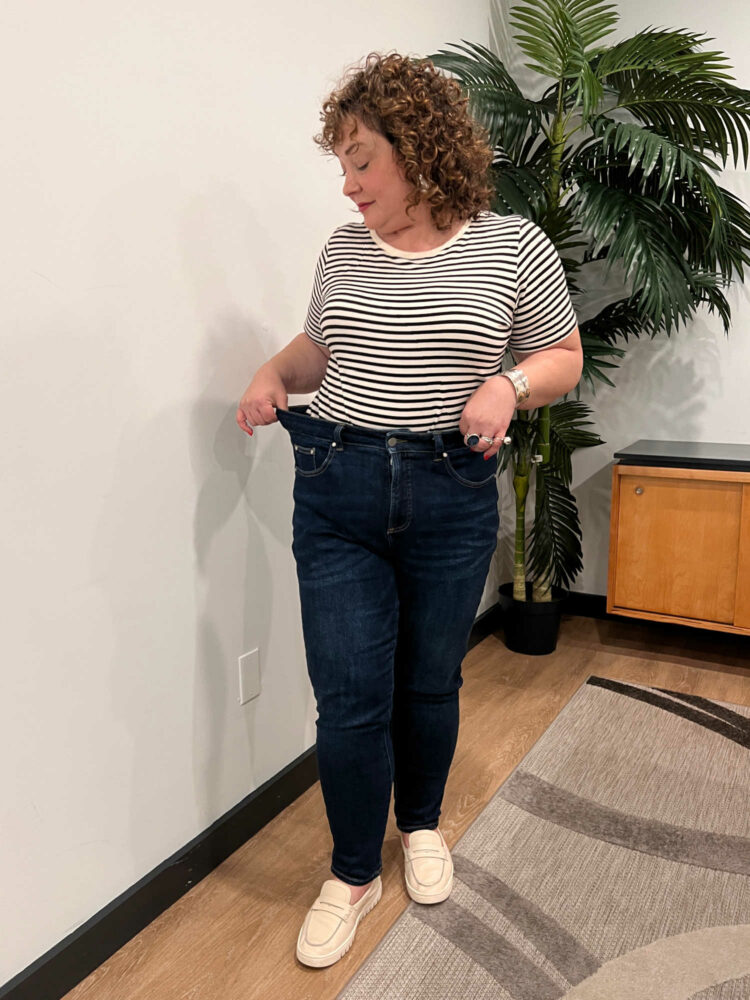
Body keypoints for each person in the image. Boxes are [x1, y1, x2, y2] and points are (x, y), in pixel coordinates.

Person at [236, 51, 583, 969]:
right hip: (340, 487)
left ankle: (421, 825)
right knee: (349, 697)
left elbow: (563, 359)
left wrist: (508, 384)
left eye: (362, 162)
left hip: (451, 493)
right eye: (343, 167)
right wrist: (275, 373)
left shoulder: (512, 247)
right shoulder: (344, 249)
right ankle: (353, 872)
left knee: (430, 680)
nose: (349, 187)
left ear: (419, 150)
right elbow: (320, 346)